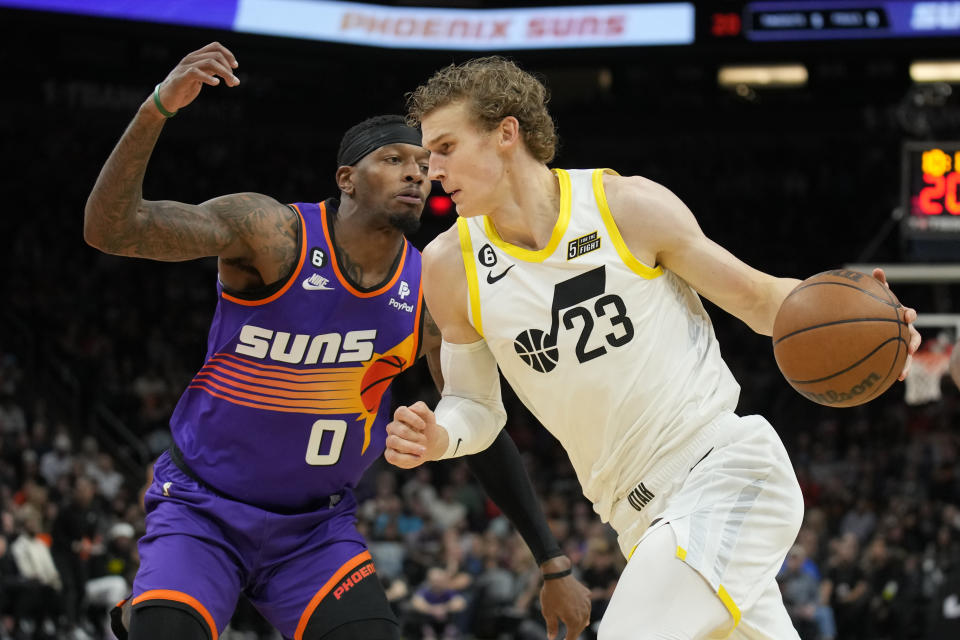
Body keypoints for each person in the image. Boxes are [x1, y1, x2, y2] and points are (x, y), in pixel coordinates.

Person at [384, 56, 922, 639]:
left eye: (445, 147)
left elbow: (765, 301)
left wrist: (872, 314)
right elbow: (476, 407)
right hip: (637, 520)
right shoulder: (448, 266)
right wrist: (440, 436)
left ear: (506, 133)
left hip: (725, 472)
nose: (431, 170)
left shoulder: (624, 206)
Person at [83, 43, 589, 640]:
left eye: (424, 164)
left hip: (315, 532)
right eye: (395, 159)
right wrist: (157, 109)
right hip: (204, 509)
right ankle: (153, 613)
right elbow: (110, 229)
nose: (416, 173)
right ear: (346, 178)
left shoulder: (431, 287)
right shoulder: (273, 234)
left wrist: (552, 560)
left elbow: (476, 420)